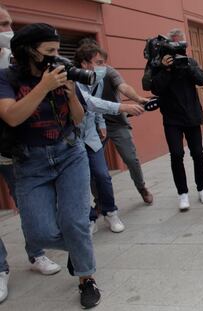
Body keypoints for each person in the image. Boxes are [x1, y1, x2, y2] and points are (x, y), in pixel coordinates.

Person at [0, 23, 100, 308]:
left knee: (75, 221)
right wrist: (44, 87)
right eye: (50, 51)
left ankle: (86, 278)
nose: (57, 56)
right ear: (29, 51)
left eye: (58, 50)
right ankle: (80, 248)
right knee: (38, 233)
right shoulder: (5, 78)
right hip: (30, 162)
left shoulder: (61, 71)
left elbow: (78, 119)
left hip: (69, 153)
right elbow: (12, 117)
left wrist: (69, 93)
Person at [0, 6, 60, 304]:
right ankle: (0, 268)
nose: (7, 29)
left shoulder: (16, 64)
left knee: (27, 205)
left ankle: (35, 253)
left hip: (13, 148)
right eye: (1, 24)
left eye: (9, 23)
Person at [74, 43, 144, 234]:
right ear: (85, 63)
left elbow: (96, 111)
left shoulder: (99, 79)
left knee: (103, 176)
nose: (103, 66)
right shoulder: (73, 81)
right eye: (99, 62)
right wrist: (122, 107)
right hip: (72, 140)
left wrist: (101, 125)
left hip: (91, 137)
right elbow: (89, 102)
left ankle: (111, 212)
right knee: (81, 180)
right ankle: (89, 217)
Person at [150, 28, 203, 211]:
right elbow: (155, 88)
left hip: (192, 115)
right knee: (176, 155)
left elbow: (202, 80)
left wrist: (189, 66)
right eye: (174, 43)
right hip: (171, 118)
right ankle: (182, 193)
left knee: (198, 153)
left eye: (180, 43)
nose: (177, 48)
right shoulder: (160, 64)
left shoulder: (190, 61)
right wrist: (165, 68)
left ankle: (202, 188)